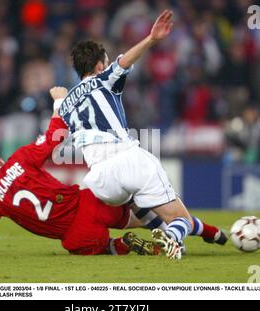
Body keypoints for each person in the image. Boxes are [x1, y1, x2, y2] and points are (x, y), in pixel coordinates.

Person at [0, 87, 226, 258]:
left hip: (75, 234)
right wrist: (58, 103)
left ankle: (126, 245)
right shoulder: (20, 159)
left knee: (88, 247)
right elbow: (55, 135)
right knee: (144, 214)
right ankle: (198, 231)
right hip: (86, 202)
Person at [58, 10, 208, 259]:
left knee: (139, 205)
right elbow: (124, 62)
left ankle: (164, 236)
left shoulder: (65, 105)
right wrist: (151, 39)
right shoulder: (102, 79)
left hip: (100, 181)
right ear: (98, 66)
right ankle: (170, 238)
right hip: (127, 160)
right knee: (183, 221)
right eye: (104, 63)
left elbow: (56, 124)